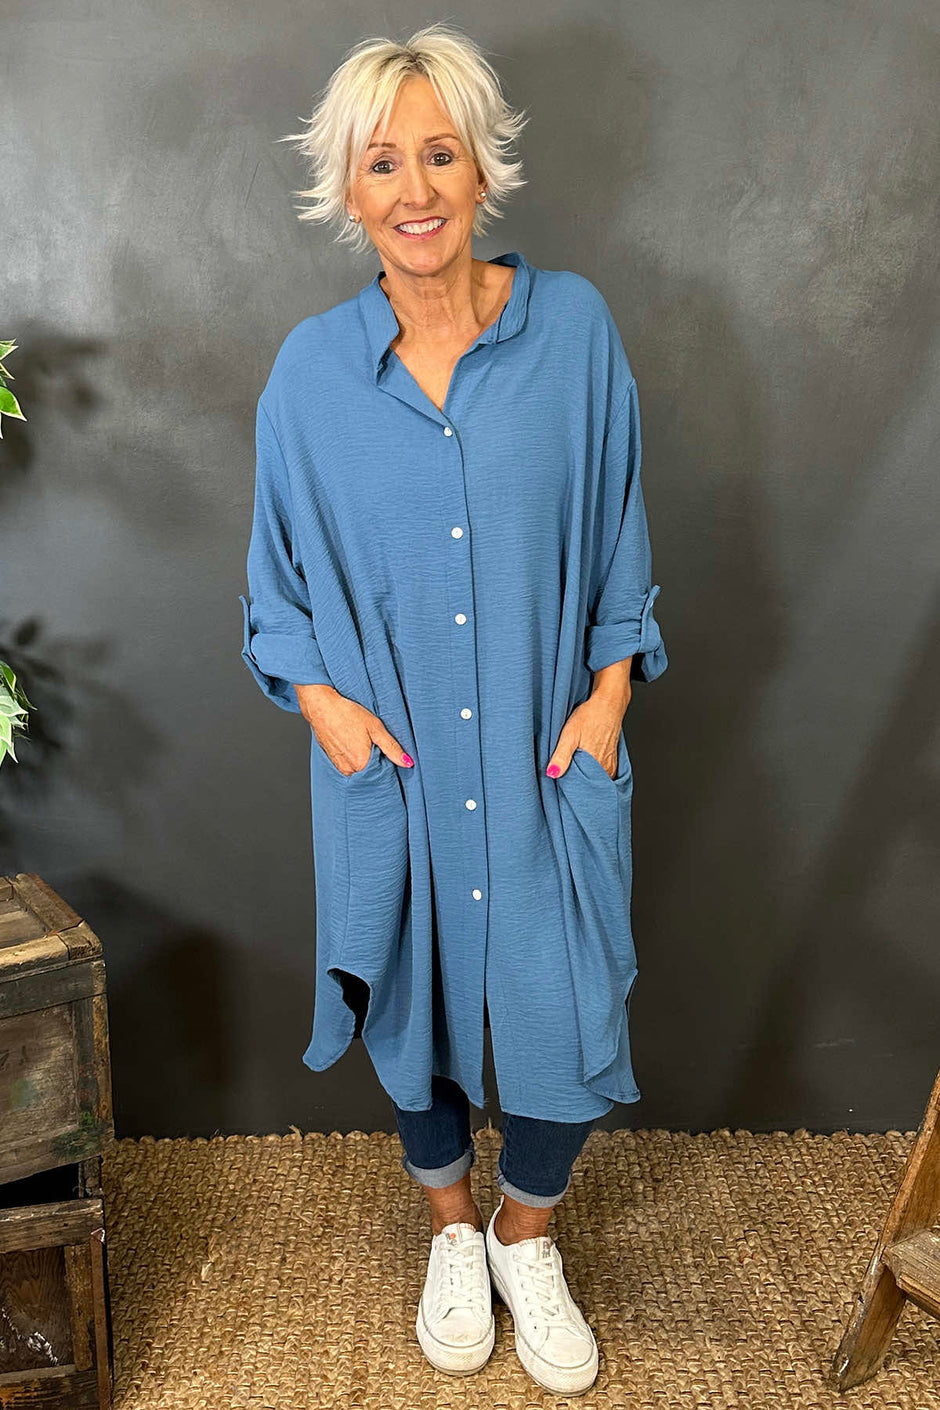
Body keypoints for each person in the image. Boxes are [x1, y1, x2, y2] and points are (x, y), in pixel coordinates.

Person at [239, 23, 668, 1398]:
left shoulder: (575, 332)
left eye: (441, 153)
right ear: (348, 189)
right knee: (407, 994)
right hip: (396, 759)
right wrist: (326, 710)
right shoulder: (310, 376)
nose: (416, 188)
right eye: (384, 162)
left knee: (563, 1003)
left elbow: (620, 538)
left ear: (484, 168)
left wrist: (608, 697)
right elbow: (274, 593)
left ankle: (524, 1235)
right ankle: (449, 1227)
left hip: (547, 751)